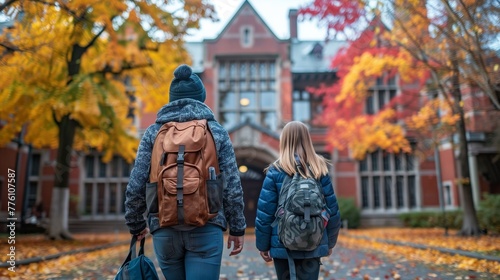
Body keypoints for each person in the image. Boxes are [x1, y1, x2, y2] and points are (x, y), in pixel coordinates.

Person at [125, 64, 246, 280]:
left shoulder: (153, 133)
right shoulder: (215, 131)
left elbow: (136, 183)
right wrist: (237, 228)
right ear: (201, 98)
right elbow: (232, 186)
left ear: (172, 99)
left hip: (164, 227)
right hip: (207, 227)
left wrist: (136, 223)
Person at [255, 121, 341, 280]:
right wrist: (329, 243)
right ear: (307, 140)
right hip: (314, 241)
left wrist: (263, 245)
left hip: (282, 245)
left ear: (284, 140)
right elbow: (333, 211)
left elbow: (265, 214)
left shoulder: (276, 171)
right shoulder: (319, 169)